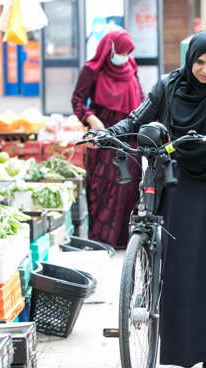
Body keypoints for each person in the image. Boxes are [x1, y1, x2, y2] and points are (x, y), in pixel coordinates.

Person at [103, 31, 206, 368]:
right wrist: (110, 133)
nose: (205, 70)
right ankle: (180, 347)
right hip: (174, 180)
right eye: (199, 62)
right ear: (189, 61)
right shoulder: (167, 86)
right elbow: (136, 118)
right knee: (177, 266)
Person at [71, 29, 144, 248]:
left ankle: (124, 243)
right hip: (102, 140)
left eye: (127, 52)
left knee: (128, 189)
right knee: (101, 192)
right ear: (109, 48)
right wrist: (91, 120)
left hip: (129, 139)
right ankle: (101, 244)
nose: (123, 56)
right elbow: (77, 100)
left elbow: (140, 99)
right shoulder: (92, 70)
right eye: (120, 51)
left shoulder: (131, 68)